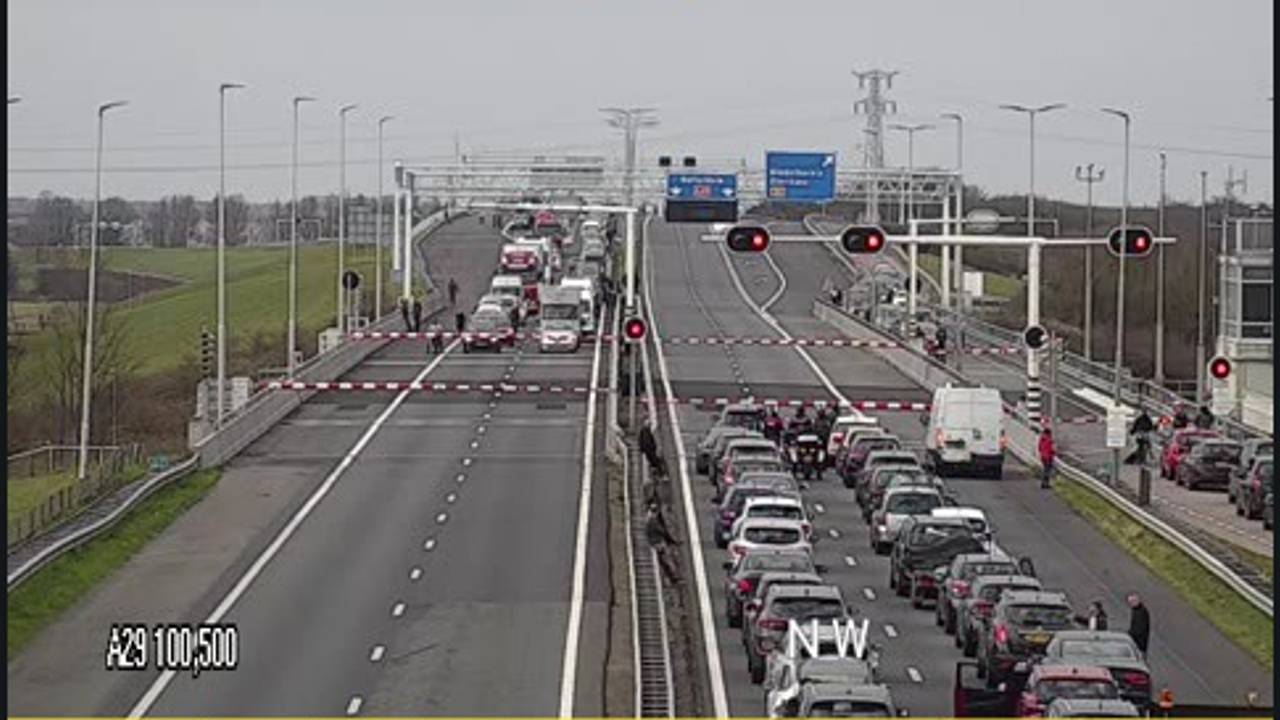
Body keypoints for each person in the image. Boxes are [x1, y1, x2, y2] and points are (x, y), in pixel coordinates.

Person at [645, 502, 681, 584]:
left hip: (654, 543)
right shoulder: (653, 520)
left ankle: (671, 577)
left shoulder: (649, 518)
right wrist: (671, 541)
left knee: (663, 561)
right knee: (668, 558)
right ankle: (673, 577)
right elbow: (662, 531)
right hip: (658, 543)